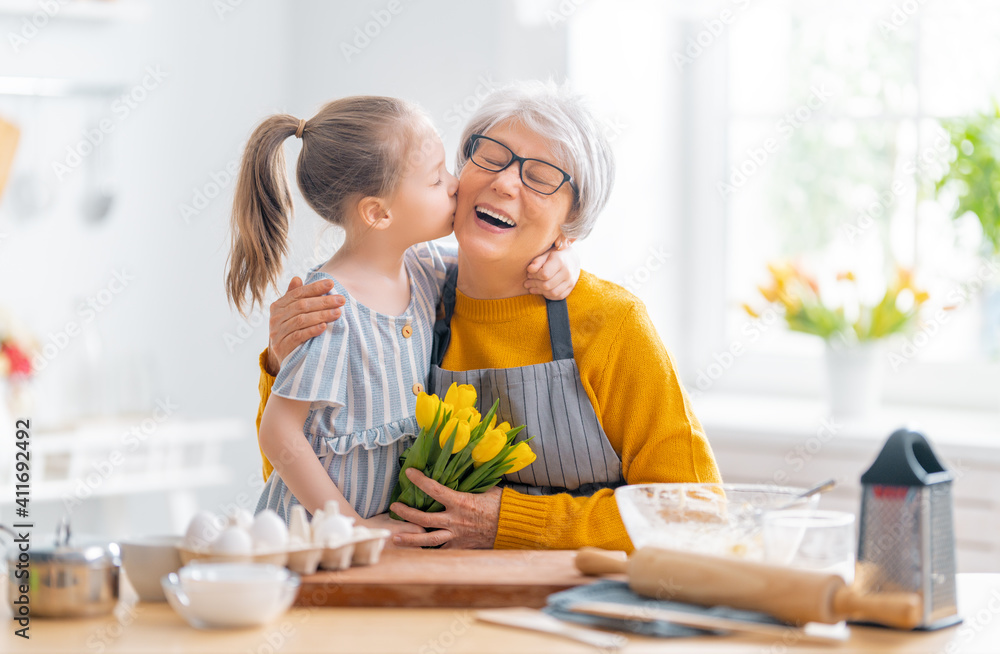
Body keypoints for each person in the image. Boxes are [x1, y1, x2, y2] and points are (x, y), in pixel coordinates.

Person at [257, 82, 721, 551]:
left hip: (573, 604)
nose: (505, 182)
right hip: (415, 591)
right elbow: (308, 471)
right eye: (493, 156)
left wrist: (516, 521)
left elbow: (695, 511)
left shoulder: (612, 322)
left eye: (542, 176)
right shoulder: (414, 295)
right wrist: (281, 360)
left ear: (572, 220)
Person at [225, 96, 579, 537]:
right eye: (435, 180)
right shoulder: (332, 309)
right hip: (317, 543)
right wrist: (350, 527)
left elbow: (499, 265)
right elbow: (278, 434)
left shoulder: (426, 269)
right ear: (379, 212)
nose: (455, 186)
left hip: (377, 542)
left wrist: (561, 259)